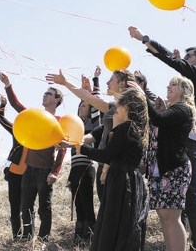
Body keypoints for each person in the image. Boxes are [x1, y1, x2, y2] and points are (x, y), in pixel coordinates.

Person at [128, 26, 196, 251]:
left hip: (189, 142)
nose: (183, 61)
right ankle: (185, 241)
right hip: (180, 141)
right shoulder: (190, 89)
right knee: (182, 197)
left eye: (188, 58)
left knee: (192, 192)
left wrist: (144, 39)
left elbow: (173, 63)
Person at [73, 87, 149, 251]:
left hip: (123, 181)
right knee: (121, 227)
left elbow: (107, 155)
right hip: (125, 180)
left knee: (122, 227)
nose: (116, 107)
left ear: (128, 107)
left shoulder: (126, 128)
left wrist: (82, 149)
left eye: (120, 104)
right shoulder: (133, 128)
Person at [46, 68, 134, 205]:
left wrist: (106, 168)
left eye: (111, 79)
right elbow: (88, 100)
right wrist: (65, 82)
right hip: (105, 166)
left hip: (117, 169)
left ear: (122, 84)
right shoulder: (112, 107)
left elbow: (116, 145)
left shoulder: (128, 109)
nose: (108, 82)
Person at [0, 72, 66, 241]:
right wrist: (8, 85)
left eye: (49, 94)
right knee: (25, 206)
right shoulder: (35, 116)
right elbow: (16, 105)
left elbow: (63, 149)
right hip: (28, 169)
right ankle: (27, 237)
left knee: (44, 207)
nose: (44, 95)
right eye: (44, 93)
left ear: (58, 100)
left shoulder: (59, 121)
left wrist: (55, 172)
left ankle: (44, 238)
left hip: (45, 170)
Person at [142, 76, 196, 251]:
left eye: (173, 84)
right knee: (164, 216)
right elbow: (158, 122)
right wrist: (158, 109)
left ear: (184, 90)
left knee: (172, 217)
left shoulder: (182, 109)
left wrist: (142, 96)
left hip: (174, 170)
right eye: (169, 84)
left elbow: (158, 120)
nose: (168, 87)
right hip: (160, 170)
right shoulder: (171, 110)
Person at [66, 69, 103, 247]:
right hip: (75, 168)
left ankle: (91, 237)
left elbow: (96, 106)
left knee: (87, 202)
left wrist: (94, 84)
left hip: (87, 167)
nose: (81, 107)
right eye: (79, 105)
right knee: (78, 202)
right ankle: (80, 237)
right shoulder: (75, 126)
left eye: (84, 106)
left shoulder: (93, 124)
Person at [0, 95, 28, 240]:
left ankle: (28, 234)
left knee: (26, 207)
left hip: (30, 174)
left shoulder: (40, 134)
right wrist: (3, 104)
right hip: (14, 173)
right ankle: (16, 235)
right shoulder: (17, 130)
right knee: (14, 207)